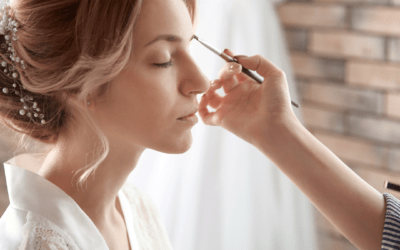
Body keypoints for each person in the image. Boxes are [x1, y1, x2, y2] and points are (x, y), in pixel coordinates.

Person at [0, 1, 396, 250]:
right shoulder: (36, 243)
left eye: (188, 47)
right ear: (80, 84)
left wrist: (277, 129)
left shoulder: (133, 206)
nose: (202, 82)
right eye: (162, 59)